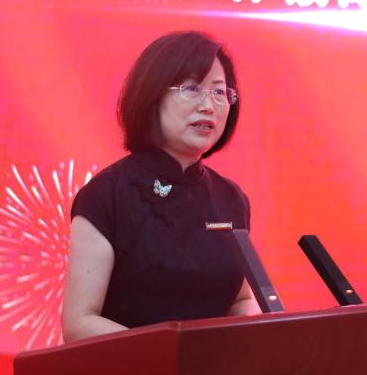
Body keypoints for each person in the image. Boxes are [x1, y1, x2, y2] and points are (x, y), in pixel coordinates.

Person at [62, 31, 260, 342]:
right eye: (191, 88)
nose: (209, 106)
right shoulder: (106, 195)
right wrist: (173, 354)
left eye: (219, 92)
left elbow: (241, 299)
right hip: (131, 369)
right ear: (152, 95)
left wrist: (253, 332)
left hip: (214, 370)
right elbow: (79, 322)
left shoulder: (231, 199)